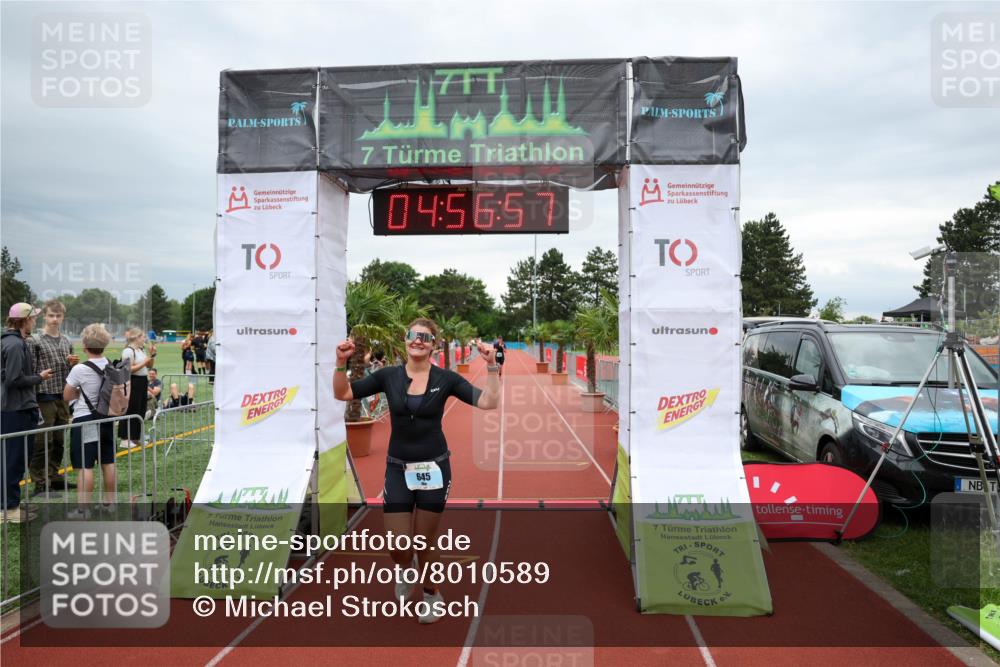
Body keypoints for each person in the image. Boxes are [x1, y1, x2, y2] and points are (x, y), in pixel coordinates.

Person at [333, 318, 500, 624]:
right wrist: (341, 363)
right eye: (413, 335)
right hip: (397, 469)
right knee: (399, 547)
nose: (418, 340)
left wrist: (492, 368)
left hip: (434, 469)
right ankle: (405, 567)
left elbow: (489, 403)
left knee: (424, 540)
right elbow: (343, 393)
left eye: (425, 337)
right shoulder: (388, 376)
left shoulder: (446, 379)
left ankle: (431, 594)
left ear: (434, 344)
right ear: (405, 338)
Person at [1, 304, 53, 522]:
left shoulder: (10, 341)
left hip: (14, 408)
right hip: (16, 409)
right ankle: (8, 509)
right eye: (33, 318)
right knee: (13, 460)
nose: (35, 321)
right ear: (25, 320)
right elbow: (13, 380)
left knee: (12, 459)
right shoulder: (14, 345)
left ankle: (10, 503)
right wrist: (39, 377)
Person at [63, 323, 117, 517]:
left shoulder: (79, 369)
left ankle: (83, 510)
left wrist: (79, 391)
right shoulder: (111, 364)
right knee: (108, 461)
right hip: (106, 417)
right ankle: (110, 503)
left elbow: (67, 395)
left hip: (85, 418)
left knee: (85, 466)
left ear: (85, 346)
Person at [26, 299, 78, 492]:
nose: (54, 319)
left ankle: (54, 476)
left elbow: (70, 370)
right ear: (44, 317)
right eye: (51, 315)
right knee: (42, 441)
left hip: (62, 395)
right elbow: (30, 371)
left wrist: (72, 363)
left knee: (58, 440)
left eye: (58, 316)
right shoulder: (34, 341)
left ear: (63, 317)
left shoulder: (66, 341)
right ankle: (40, 482)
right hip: (42, 396)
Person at [119, 327, 154, 449]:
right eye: (143, 336)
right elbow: (127, 369)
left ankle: (135, 437)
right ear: (136, 337)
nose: (144, 339)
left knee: (140, 409)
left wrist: (152, 355)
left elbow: (149, 365)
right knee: (130, 409)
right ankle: (124, 439)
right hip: (133, 382)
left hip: (142, 381)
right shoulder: (128, 351)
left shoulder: (140, 350)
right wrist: (144, 363)